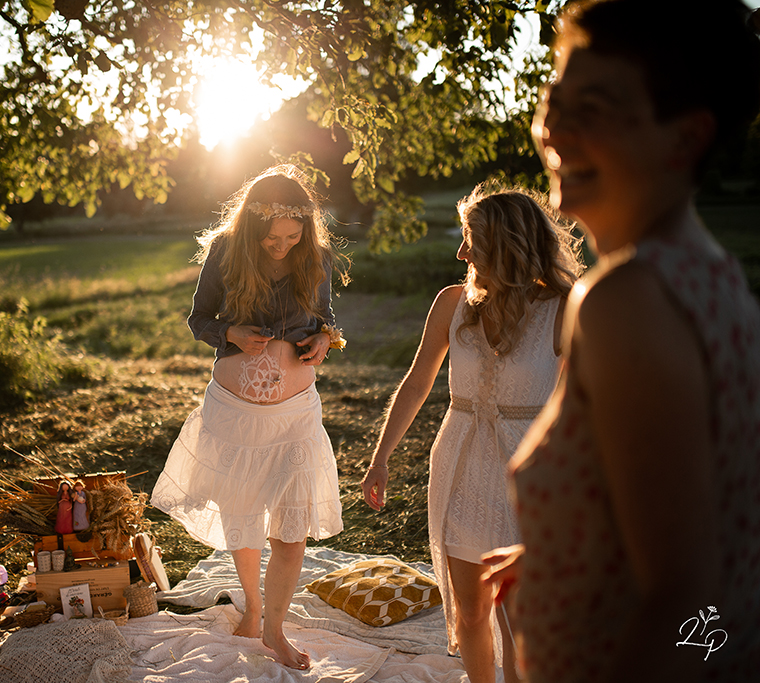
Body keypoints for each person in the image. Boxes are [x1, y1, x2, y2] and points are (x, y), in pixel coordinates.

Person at [482, 1, 760, 681]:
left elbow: (689, 600)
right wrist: (568, 549)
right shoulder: (716, 277)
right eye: (554, 101)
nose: (556, 130)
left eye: (596, 108)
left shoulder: (627, 302)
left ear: (685, 138)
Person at [361, 184, 583, 683]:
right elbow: (417, 383)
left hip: (527, 478)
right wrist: (380, 459)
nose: (461, 253)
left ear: (508, 246)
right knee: (472, 611)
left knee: (520, 620)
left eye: (472, 241)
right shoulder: (450, 303)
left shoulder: (564, 309)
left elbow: (584, 411)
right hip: (459, 464)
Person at [151, 165, 348, 670]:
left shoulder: (317, 258)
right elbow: (199, 318)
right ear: (251, 229)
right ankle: (255, 608)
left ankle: (275, 630)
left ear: (306, 226)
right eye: (271, 238)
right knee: (243, 517)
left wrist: (326, 338)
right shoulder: (225, 250)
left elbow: (326, 321)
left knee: (290, 526)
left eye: (292, 235)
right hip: (235, 416)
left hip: (294, 417)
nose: (282, 245)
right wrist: (231, 334)